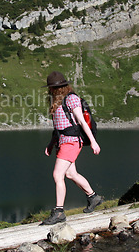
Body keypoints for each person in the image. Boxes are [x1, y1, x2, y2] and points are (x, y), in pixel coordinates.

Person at [42, 72, 103, 225]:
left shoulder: (71, 99)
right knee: (70, 173)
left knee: (57, 175)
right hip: (62, 141)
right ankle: (93, 197)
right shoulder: (56, 101)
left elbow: (82, 122)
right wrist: (51, 144)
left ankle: (59, 211)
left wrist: (93, 142)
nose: (52, 90)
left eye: (54, 87)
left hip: (71, 141)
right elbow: (58, 127)